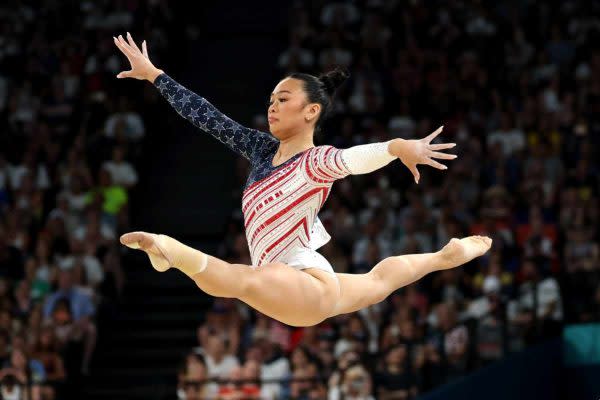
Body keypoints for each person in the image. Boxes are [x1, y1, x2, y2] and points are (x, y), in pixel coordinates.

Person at [113, 33, 492, 327]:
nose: (272, 106)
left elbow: (352, 160)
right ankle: (446, 256)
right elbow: (209, 118)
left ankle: (171, 252)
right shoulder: (262, 151)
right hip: (299, 282)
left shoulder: (316, 162)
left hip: (300, 281)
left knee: (242, 281)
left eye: (283, 99)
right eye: (271, 100)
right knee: (380, 281)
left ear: (311, 111)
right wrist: (156, 76)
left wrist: (394, 146)